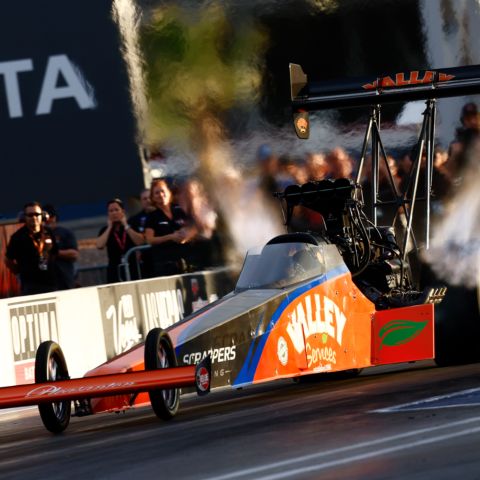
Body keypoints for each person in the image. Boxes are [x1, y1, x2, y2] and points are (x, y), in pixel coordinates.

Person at [145, 178, 197, 276]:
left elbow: (195, 226)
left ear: (169, 193)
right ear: (153, 197)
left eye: (162, 191)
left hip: (188, 260)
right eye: (156, 193)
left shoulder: (180, 209)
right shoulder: (152, 216)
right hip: (165, 264)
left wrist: (187, 234)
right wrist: (171, 237)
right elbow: (149, 240)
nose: (160, 195)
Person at [5, 201, 58, 295]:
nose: (34, 217)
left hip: (51, 283)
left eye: (37, 214)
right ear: (24, 217)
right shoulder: (17, 237)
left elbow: (55, 253)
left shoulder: (49, 232)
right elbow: (8, 260)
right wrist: (19, 272)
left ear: (43, 216)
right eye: (30, 215)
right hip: (30, 286)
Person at [96, 198, 145, 283]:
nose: (114, 213)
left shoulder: (131, 226)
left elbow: (140, 241)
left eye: (116, 210)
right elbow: (99, 245)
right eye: (111, 211)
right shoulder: (105, 230)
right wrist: (109, 227)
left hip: (132, 268)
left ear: (122, 211)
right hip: (115, 270)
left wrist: (126, 225)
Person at [43, 204, 79, 290]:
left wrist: (55, 252)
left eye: (51, 216)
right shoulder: (38, 235)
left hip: (64, 278)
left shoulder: (65, 233)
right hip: (45, 281)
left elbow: (74, 254)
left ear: (55, 217)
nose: (48, 220)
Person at [128, 188, 154, 278]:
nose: (148, 200)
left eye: (149, 197)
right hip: (145, 264)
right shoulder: (134, 220)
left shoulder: (164, 213)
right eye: (144, 199)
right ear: (141, 202)